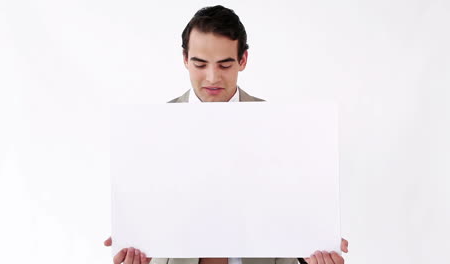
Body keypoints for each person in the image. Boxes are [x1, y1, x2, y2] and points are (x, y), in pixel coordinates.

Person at [104, 5, 349, 264]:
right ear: (185, 59)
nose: (212, 77)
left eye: (224, 65)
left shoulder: (281, 127)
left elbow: (297, 215)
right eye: (200, 64)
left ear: (243, 60)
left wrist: (316, 246)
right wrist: (130, 238)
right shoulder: (149, 131)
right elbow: (145, 216)